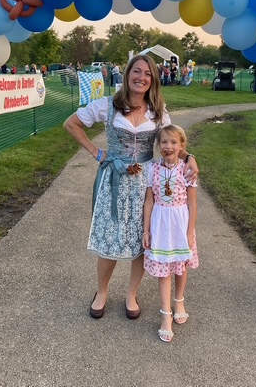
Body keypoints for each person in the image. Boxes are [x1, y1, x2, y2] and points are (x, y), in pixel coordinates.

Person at [63, 54, 199, 321]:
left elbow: (172, 143)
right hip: (114, 180)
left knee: (142, 238)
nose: (142, 77)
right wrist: (96, 152)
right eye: (137, 72)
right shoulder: (108, 105)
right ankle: (101, 292)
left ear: (153, 79)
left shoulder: (157, 111)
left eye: (148, 74)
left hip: (146, 183)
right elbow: (72, 124)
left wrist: (189, 157)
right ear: (127, 75)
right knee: (110, 236)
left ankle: (131, 294)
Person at [142, 124, 198, 343]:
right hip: (160, 224)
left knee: (180, 266)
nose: (168, 146)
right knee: (164, 271)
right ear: (158, 145)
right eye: (164, 142)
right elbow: (149, 201)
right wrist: (146, 230)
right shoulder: (152, 168)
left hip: (180, 224)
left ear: (182, 146)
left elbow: (193, 204)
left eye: (174, 142)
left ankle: (179, 301)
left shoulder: (187, 169)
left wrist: (190, 231)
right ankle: (166, 315)